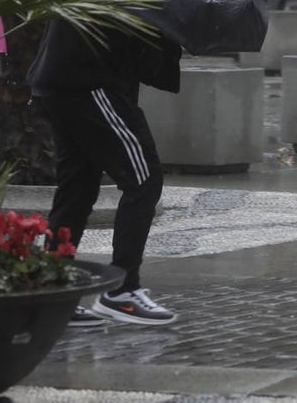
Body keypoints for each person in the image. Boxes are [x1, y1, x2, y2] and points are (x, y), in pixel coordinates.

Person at [28, 18, 182, 327]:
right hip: (88, 80)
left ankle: (53, 290)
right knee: (144, 179)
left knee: (78, 188)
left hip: (64, 76)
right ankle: (122, 291)